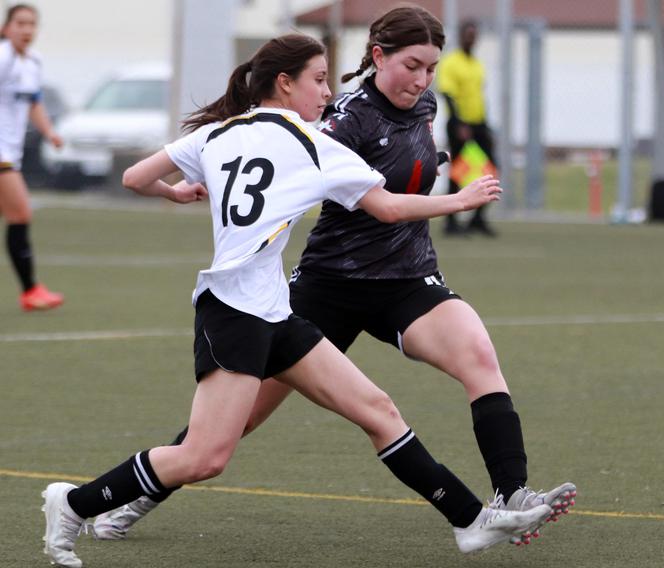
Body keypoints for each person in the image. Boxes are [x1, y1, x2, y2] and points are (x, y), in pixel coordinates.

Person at [41, 33, 554, 568]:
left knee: (377, 410)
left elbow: (132, 177)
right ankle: (73, 503)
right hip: (235, 314)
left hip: (275, 311)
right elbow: (389, 209)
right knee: (205, 456)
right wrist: (462, 199)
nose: (328, 92)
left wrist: (176, 192)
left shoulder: (217, 133)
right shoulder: (314, 145)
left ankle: (472, 522)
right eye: (319, 79)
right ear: (284, 83)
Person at [0, 4, 64, 311]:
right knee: (21, 215)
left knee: (15, 216)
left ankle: (30, 291)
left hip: (11, 152)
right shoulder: (2, 57)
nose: (26, 30)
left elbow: (33, 102)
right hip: (2, 156)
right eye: (20, 23)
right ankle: (30, 291)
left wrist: (49, 132)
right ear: (6, 27)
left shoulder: (33, 61)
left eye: (31, 24)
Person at [437, 19, 497, 237]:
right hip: (459, 123)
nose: (471, 39)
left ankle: (478, 218)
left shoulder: (476, 64)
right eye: (468, 34)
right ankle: (451, 220)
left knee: (490, 168)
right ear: (461, 36)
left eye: (474, 35)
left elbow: (479, 96)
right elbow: (448, 94)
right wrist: (459, 123)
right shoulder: (452, 62)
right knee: (459, 170)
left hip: (479, 122)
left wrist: (486, 126)